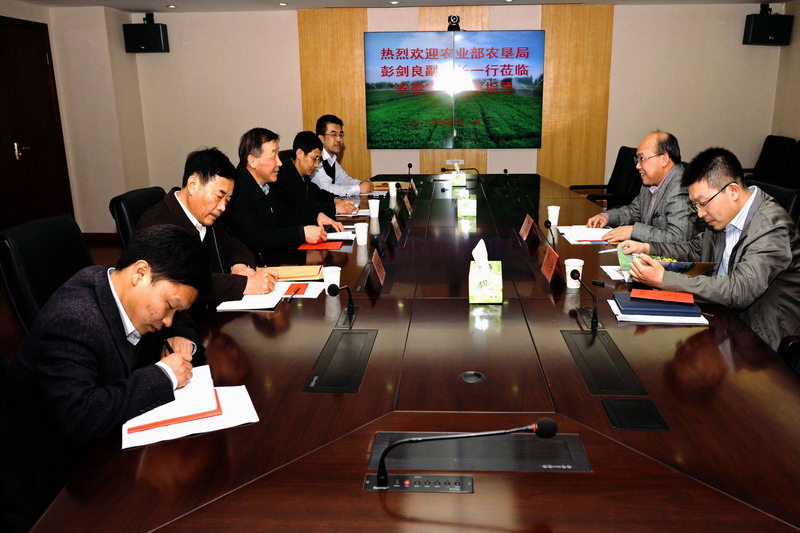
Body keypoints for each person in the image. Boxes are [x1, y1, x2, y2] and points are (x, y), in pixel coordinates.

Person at [0, 224, 211, 532]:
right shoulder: (75, 320)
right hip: (54, 488)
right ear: (141, 273)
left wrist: (178, 330)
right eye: (169, 307)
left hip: (100, 452)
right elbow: (81, 416)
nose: (168, 321)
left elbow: (174, 314)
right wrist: (163, 376)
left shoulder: (115, 286)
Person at [620, 147, 800, 351]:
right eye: (695, 205)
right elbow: (693, 249)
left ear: (732, 191)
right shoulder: (724, 216)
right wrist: (647, 247)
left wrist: (664, 279)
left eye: (703, 203)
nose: (700, 213)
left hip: (762, 341)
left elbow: (739, 290)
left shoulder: (772, 229)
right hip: (722, 317)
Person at [138, 147, 277, 302]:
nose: (222, 207)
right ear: (193, 184)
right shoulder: (157, 224)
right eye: (218, 196)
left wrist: (240, 266)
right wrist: (244, 284)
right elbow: (183, 282)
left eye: (227, 200)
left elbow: (235, 246)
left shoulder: (207, 217)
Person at [223, 128, 341, 262]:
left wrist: (316, 216)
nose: (280, 163)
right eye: (273, 156)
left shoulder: (267, 185)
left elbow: (285, 215)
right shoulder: (237, 191)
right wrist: (301, 233)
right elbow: (255, 238)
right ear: (252, 161)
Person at [586, 131, 697, 243]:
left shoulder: (681, 187)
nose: (638, 166)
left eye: (642, 159)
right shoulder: (649, 183)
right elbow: (632, 212)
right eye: (637, 160)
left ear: (664, 159)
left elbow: (678, 239)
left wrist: (634, 231)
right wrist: (606, 216)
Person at [273, 131, 356, 220]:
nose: (316, 165)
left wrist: (336, 200)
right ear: (300, 154)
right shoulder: (282, 177)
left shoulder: (303, 175)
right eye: (314, 159)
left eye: (318, 160)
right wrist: (335, 208)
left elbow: (317, 193)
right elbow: (301, 207)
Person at [310, 114, 374, 196]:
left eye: (340, 134)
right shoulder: (315, 160)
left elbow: (343, 180)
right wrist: (359, 188)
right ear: (321, 138)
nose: (339, 139)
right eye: (333, 134)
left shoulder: (331, 159)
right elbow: (326, 189)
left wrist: (361, 183)